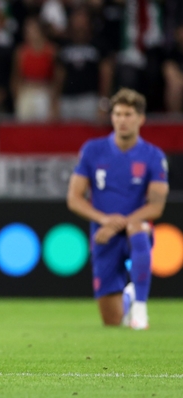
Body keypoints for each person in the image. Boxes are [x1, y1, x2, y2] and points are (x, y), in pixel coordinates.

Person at [67, 88, 169, 330]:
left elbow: (156, 205)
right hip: (103, 234)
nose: (122, 120)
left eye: (129, 114)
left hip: (135, 230)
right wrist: (105, 220)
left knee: (139, 228)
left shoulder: (153, 155)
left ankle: (141, 309)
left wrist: (120, 223)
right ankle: (130, 296)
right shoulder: (93, 150)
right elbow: (74, 198)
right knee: (111, 321)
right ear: (111, 117)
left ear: (141, 118)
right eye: (118, 114)